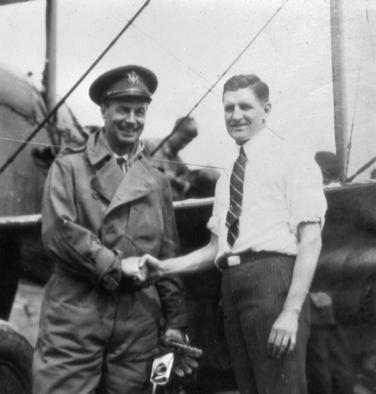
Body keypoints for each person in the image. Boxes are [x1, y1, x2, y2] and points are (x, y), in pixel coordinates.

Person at [139, 74, 327, 394]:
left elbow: (311, 240)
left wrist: (290, 312)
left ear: (265, 110)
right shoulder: (227, 176)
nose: (236, 115)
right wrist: (165, 267)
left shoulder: (292, 158)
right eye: (228, 108)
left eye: (245, 107)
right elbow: (217, 248)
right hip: (231, 287)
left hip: (272, 282)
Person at [32, 65, 195, 394]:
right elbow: (59, 233)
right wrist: (115, 265)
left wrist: (176, 322)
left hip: (137, 324)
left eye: (140, 111)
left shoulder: (157, 181)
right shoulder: (69, 167)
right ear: (104, 111)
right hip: (76, 315)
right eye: (122, 109)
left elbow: (167, 254)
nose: (131, 120)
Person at [144, 117, 198, 200]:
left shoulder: (179, 162)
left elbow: (187, 180)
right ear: (174, 131)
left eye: (188, 142)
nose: (183, 145)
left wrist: (183, 183)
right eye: (182, 139)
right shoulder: (150, 144)